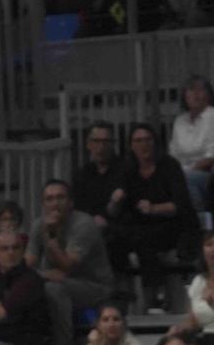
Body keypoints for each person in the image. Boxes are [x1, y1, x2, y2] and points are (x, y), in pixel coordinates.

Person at [26, 180, 113, 345]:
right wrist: (44, 274)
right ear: (43, 204)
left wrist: (51, 239)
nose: (55, 203)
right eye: (49, 199)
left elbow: (67, 265)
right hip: (57, 282)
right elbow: (26, 267)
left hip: (94, 286)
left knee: (53, 289)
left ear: (71, 202)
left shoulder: (84, 224)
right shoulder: (38, 225)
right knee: (31, 287)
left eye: (60, 197)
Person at [107, 123, 198, 306]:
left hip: (172, 225)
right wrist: (115, 201)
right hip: (139, 227)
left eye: (147, 139)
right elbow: (112, 212)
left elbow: (180, 206)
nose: (143, 145)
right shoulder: (126, 169)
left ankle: (154, 294)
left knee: (142, 239)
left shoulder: (169, 165)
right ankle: (119, 298)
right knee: (114, 239)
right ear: (131, 145)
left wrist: (154, 208)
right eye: (138, 140)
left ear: (155, 142)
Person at [169, 75, 214, 210]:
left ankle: (199, 219)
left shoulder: (212, 116)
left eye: (201, 89)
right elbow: (173, 154)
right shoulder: (180, 120)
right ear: (185, 96)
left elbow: (210, 158)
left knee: (184, 181)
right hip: (181, 172)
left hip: (207, 173)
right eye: (191, 89)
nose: (196, 94)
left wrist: (185, 171)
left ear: (209, 95)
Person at [73, 121, 121, 226]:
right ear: (88, 144)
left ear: (113, 144)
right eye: (96, 141)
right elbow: (78, 207)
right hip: (88, 227)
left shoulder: (125, 171)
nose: (101, 146)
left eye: (106, 141)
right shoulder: (82, 174)